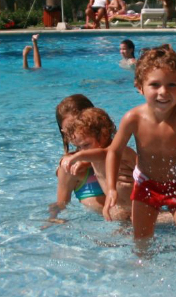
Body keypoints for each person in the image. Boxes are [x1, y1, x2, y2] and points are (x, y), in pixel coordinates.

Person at [103, 44, 176, 249]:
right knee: (141, 242)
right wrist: (111, 189)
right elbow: (114, 150)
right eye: (155, 85)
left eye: (172, 84)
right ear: (139, 87)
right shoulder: (133, 118)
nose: (163, 92)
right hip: (146, 185)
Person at [47, 95, 135, 223]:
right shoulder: (70, 167)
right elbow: (61, 203)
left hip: (133, 216)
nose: (75, 132)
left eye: (79, 124)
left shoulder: (121, 154)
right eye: (69, 130)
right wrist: (53, 219)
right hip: (111, 222)